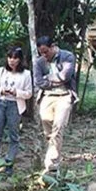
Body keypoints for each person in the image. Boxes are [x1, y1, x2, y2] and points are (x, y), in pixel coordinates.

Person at [33, 36, 77, 177]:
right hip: (47, 97)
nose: (44, 55)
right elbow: (39, 81)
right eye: (41, 53)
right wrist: (54, 79)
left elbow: (65, 77)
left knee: (58, 128)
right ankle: (53, 155)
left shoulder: (68, 56)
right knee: (48, 129)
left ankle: (52, 163)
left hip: (64, 96)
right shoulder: (39, 62)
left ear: (53, 47)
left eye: (46, 52)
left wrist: (49, 78)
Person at [0, 47, 33, 175]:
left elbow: (29, 93)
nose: (12, 61)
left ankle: (9, 163)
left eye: (15, 58)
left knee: (13, 135)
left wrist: (17, 92)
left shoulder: (26, 74)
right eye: (10, 58)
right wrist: (1, 91)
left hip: (15, 104)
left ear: (20, 60)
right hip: (1, 103)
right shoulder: (1, 71)